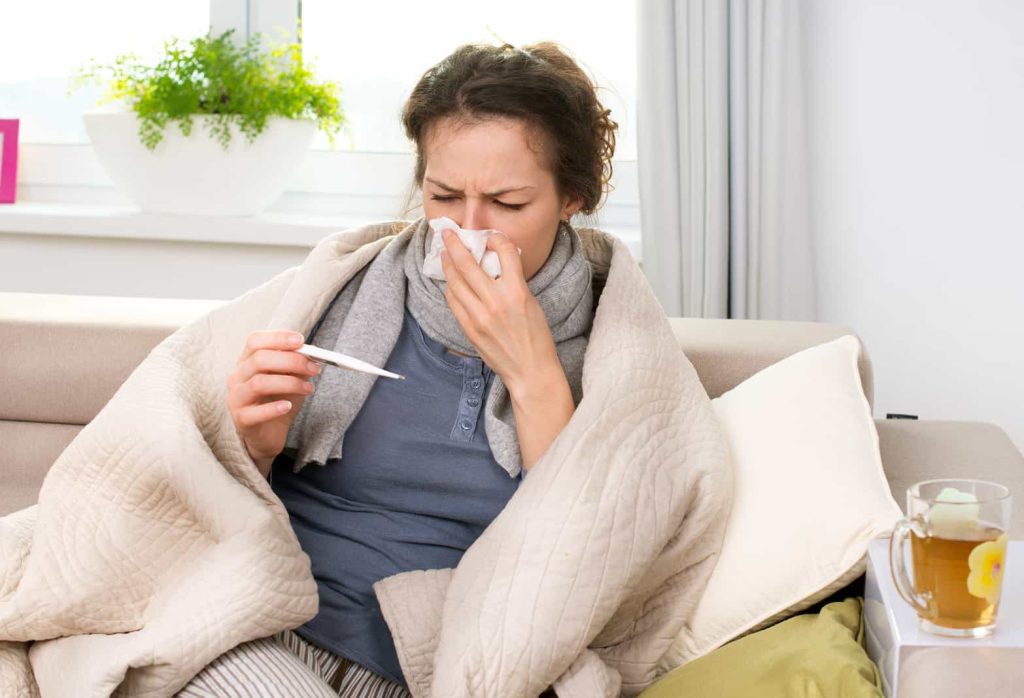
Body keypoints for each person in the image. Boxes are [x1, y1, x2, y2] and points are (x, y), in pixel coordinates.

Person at [178, 39, 617, 697]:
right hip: (260, 631)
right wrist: (254, 445)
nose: (466, 230)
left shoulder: (611, 349)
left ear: (573, 198)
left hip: (433, 663)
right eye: (443, 196)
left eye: (507, 203)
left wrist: (531, 369)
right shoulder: (339, 293)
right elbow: (193, 502)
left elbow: (577, 557)